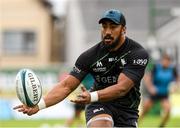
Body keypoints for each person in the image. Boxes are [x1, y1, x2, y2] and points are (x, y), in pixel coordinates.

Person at [14, 9, 149, 127]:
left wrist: (92, 96)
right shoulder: (90, 56)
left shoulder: (137, 53)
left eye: (113, 27)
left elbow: (122, 88)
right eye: (104, 26)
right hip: (100, 104)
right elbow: (66, 86)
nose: (107, 31)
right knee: (103, 124)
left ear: (123, 29)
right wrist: (39, 106)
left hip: (127, 109)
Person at [139, 53, 179, 127]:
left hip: (164, 94)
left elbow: (177, 79)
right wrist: (151, 87)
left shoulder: (172, 69)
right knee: (145, 110)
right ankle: (136, 123)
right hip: (154, 93)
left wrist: (176, 86)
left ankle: (161, 126)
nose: (165, 62)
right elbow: (147, 77)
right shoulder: (156, 67)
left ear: (169, 62)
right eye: (164, 61)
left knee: (168, 110)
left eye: (167, 61)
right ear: (162, 61)